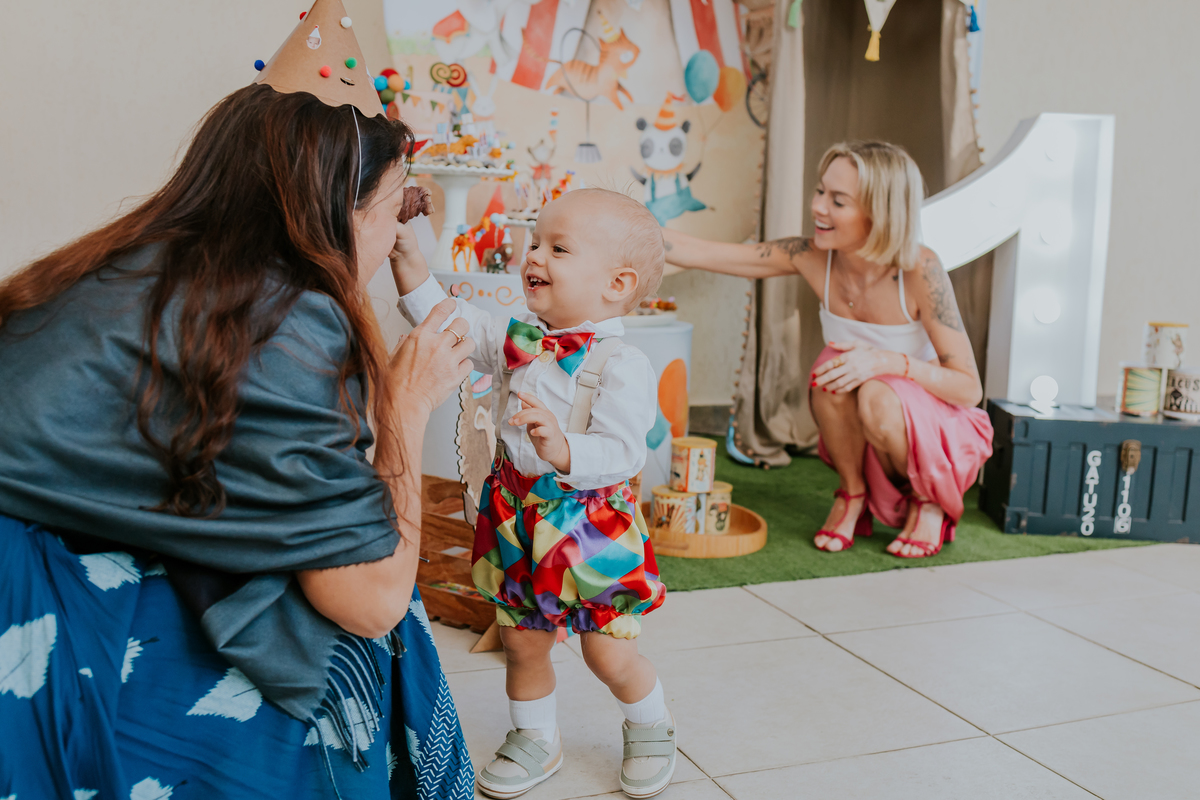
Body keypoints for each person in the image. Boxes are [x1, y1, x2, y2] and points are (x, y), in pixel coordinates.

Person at [0, 21, 478, 800]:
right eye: (400, 205)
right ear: (334, 208)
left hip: (52, 543)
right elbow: (369, 601)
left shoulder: (136, 264)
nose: (401, 231)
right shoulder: (280, 321)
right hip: (36, 605)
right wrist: (407, 397)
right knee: (374, 644)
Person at [393, 188, 676, 799]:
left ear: (617, 283)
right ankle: (535, 737)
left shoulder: (621, 364)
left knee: (608, 653)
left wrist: (565, 450)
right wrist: (409, 259)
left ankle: (650, 722)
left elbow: (625, 453)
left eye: (559, 248)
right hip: (518, 516)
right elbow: (450, 322)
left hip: (589, 524)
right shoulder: (518, 338)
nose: (534, 256)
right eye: (536, 242)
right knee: (522, 642)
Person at [662, 141, 993, 559]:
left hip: (938, 431)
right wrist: (618, 225)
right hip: (865, 426)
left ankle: (929, 501)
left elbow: (968, 389)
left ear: (881, 211)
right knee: (832, 369)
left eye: (838, 200)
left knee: (876, 391)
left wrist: (888, 362)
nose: (818, 207)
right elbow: (707, 253)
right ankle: (852, 496)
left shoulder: (919, 268)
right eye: (820, 192)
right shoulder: (814, 256)